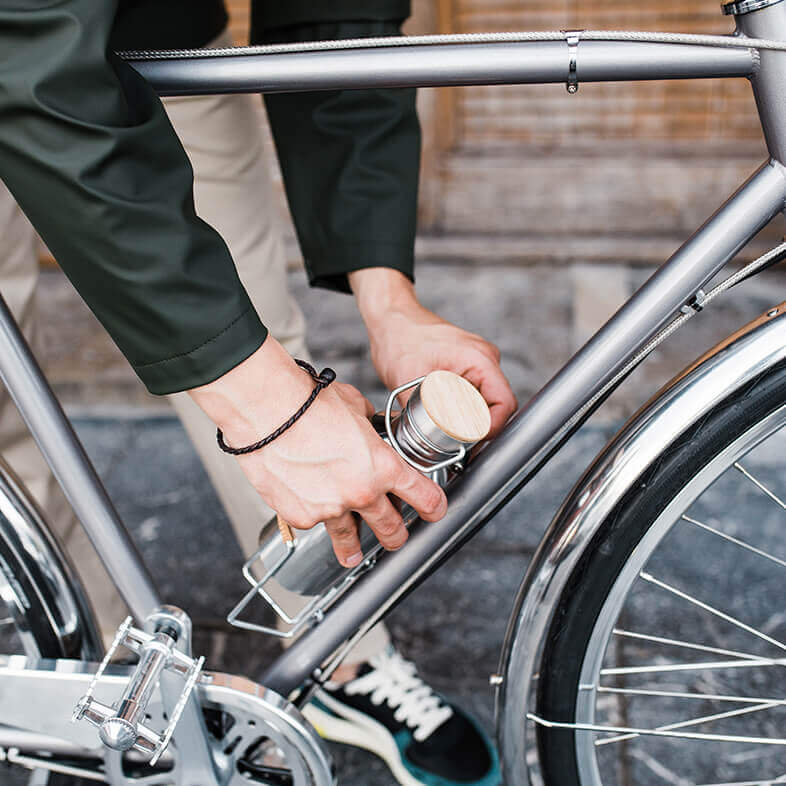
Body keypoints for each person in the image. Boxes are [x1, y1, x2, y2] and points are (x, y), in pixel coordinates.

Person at [0, 1, 516, 784]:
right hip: (25, 34)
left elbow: (341, 11)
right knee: (8, 396)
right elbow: (32, 55)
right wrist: (266, 412)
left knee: (275, 351)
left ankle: (343, 656)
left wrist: (389, 300)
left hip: (157, 27)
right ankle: (99, 676)